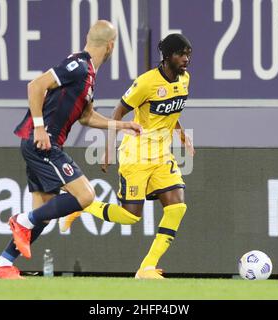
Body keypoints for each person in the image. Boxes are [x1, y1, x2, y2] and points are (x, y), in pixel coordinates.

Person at [0, 20, 142, 279]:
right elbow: (35, 86)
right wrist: (39, 127)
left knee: (44, 214)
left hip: (39, 143)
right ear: (111, 45)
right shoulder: (79, 66)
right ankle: (22, 220)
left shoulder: (88, 74)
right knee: (86, 195)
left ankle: (2, 263)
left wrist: (121, 124)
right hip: (44, 143)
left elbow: (87, 117)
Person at [65, 33, 195, 279]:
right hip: (136, 153)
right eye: (181, 54)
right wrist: (108, 148)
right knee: (130, 216)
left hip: (161, 155)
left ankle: (146, 268)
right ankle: (83, 205)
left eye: (188, 54)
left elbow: (172, 109)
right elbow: (118, 111)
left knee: (177, 207)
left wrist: (180, 134)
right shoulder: (146, 83)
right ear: (167, 56)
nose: (186, 59)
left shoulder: (185, 79)